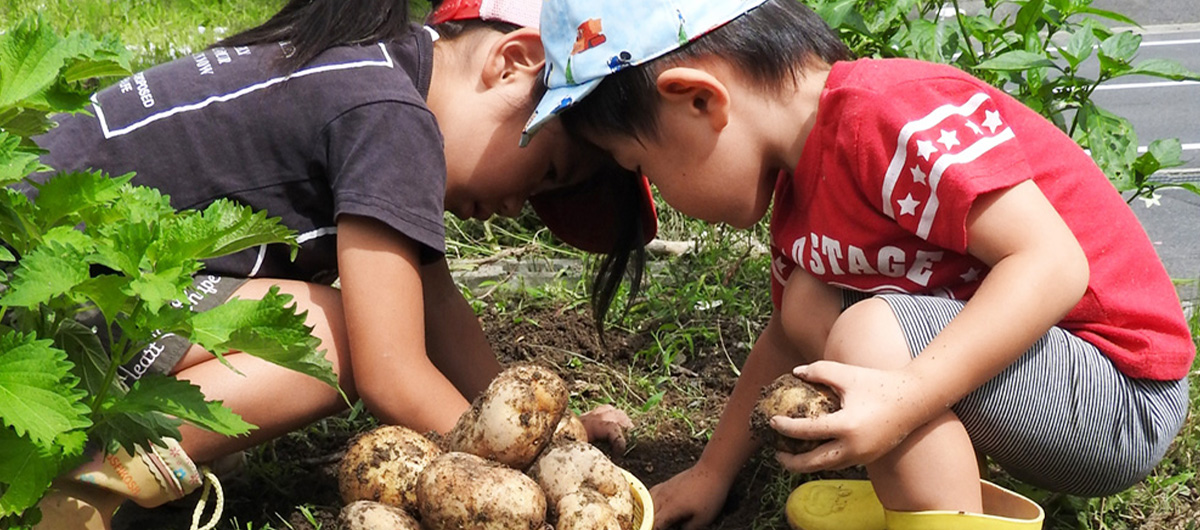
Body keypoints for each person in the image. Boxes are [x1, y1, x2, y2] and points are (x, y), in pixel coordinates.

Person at [521, 0, 1196, 529]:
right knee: (810, 307)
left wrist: (905, 396)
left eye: (643, 167)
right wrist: (711, 471)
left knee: (867, 334)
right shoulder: (800, 194)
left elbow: (1051, 264)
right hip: (1041, 380)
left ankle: (940, 516)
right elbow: (787, 336)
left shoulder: (884, 113)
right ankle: (931, 500)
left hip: (1119, 391)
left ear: (699, 100)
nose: (660, 193)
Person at [29, 0, 657, 528]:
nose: (520, 205)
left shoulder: (372, 66)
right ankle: (79, 486)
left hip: (54, 283)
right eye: (547, 174)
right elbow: (392, 373)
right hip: (42, 303)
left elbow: (438, 308)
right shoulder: (393, 118)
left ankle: (115, 446)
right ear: (512, 64)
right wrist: (522, 488)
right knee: (330, 340)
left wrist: (554, 438)